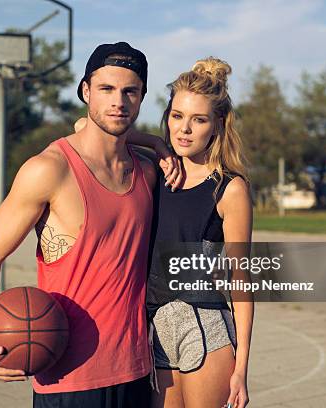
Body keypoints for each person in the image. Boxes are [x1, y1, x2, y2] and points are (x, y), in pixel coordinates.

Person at [0, 41, 179, 408]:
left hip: (138, 371)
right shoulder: (48, 170)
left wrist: (156, 143)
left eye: (130, 91)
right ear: (85, 91)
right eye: (106, 89)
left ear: (141, 98)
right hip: (69, 378)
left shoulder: (147, 171)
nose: (118, 101)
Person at [108, 57, 254, 408]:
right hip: (156, 330)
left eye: (198, 119)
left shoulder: (229, 189)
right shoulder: (155, 171)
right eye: (177, 116)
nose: (185, 129)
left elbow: (240, 280)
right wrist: (157, 145)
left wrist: (243, 368)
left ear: (217, 125)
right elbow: (86, 124)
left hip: (206, 331)